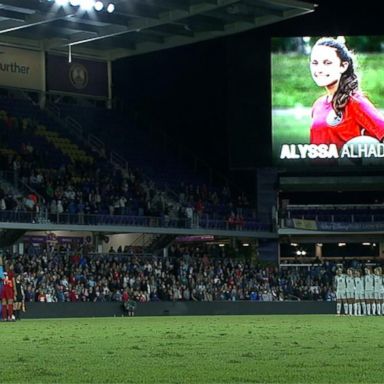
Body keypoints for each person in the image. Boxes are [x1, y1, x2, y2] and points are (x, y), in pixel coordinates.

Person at [309, 37, 384, 149]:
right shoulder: (317, 105)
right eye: (315, 63)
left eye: (327, 63)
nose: (319, 69)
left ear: (343, 66)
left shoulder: (355, 102)